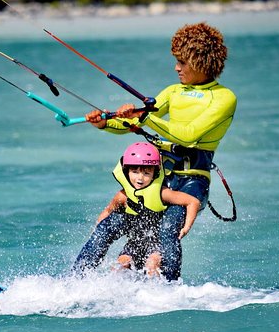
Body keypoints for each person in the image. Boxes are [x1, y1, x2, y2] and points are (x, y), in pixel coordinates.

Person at [72, 22, 237, 281]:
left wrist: (146, 117)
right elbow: (136, 122)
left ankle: (170, 289)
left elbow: (190, 135)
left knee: (169, 228)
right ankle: (74, 282)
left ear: (200, 61)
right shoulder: (173, 91)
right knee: (110, 225)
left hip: (192, 181)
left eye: (182, 62)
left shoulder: (224, 97)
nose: (176, 68)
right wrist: (106, 122)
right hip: (159, 179)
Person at [73, 142, 200, 277]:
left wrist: (186, 227)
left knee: (152, 264)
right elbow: (108, 211)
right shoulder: (123, 196)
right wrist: (97, 231)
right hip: (135, 243)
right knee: (119, 266)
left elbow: (193, 202)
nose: (140, 178)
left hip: (158, 244)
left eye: (146, 173)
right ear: (127, 172)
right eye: (135, 172)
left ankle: (157, 294)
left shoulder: (162, 193)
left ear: (154, 174)